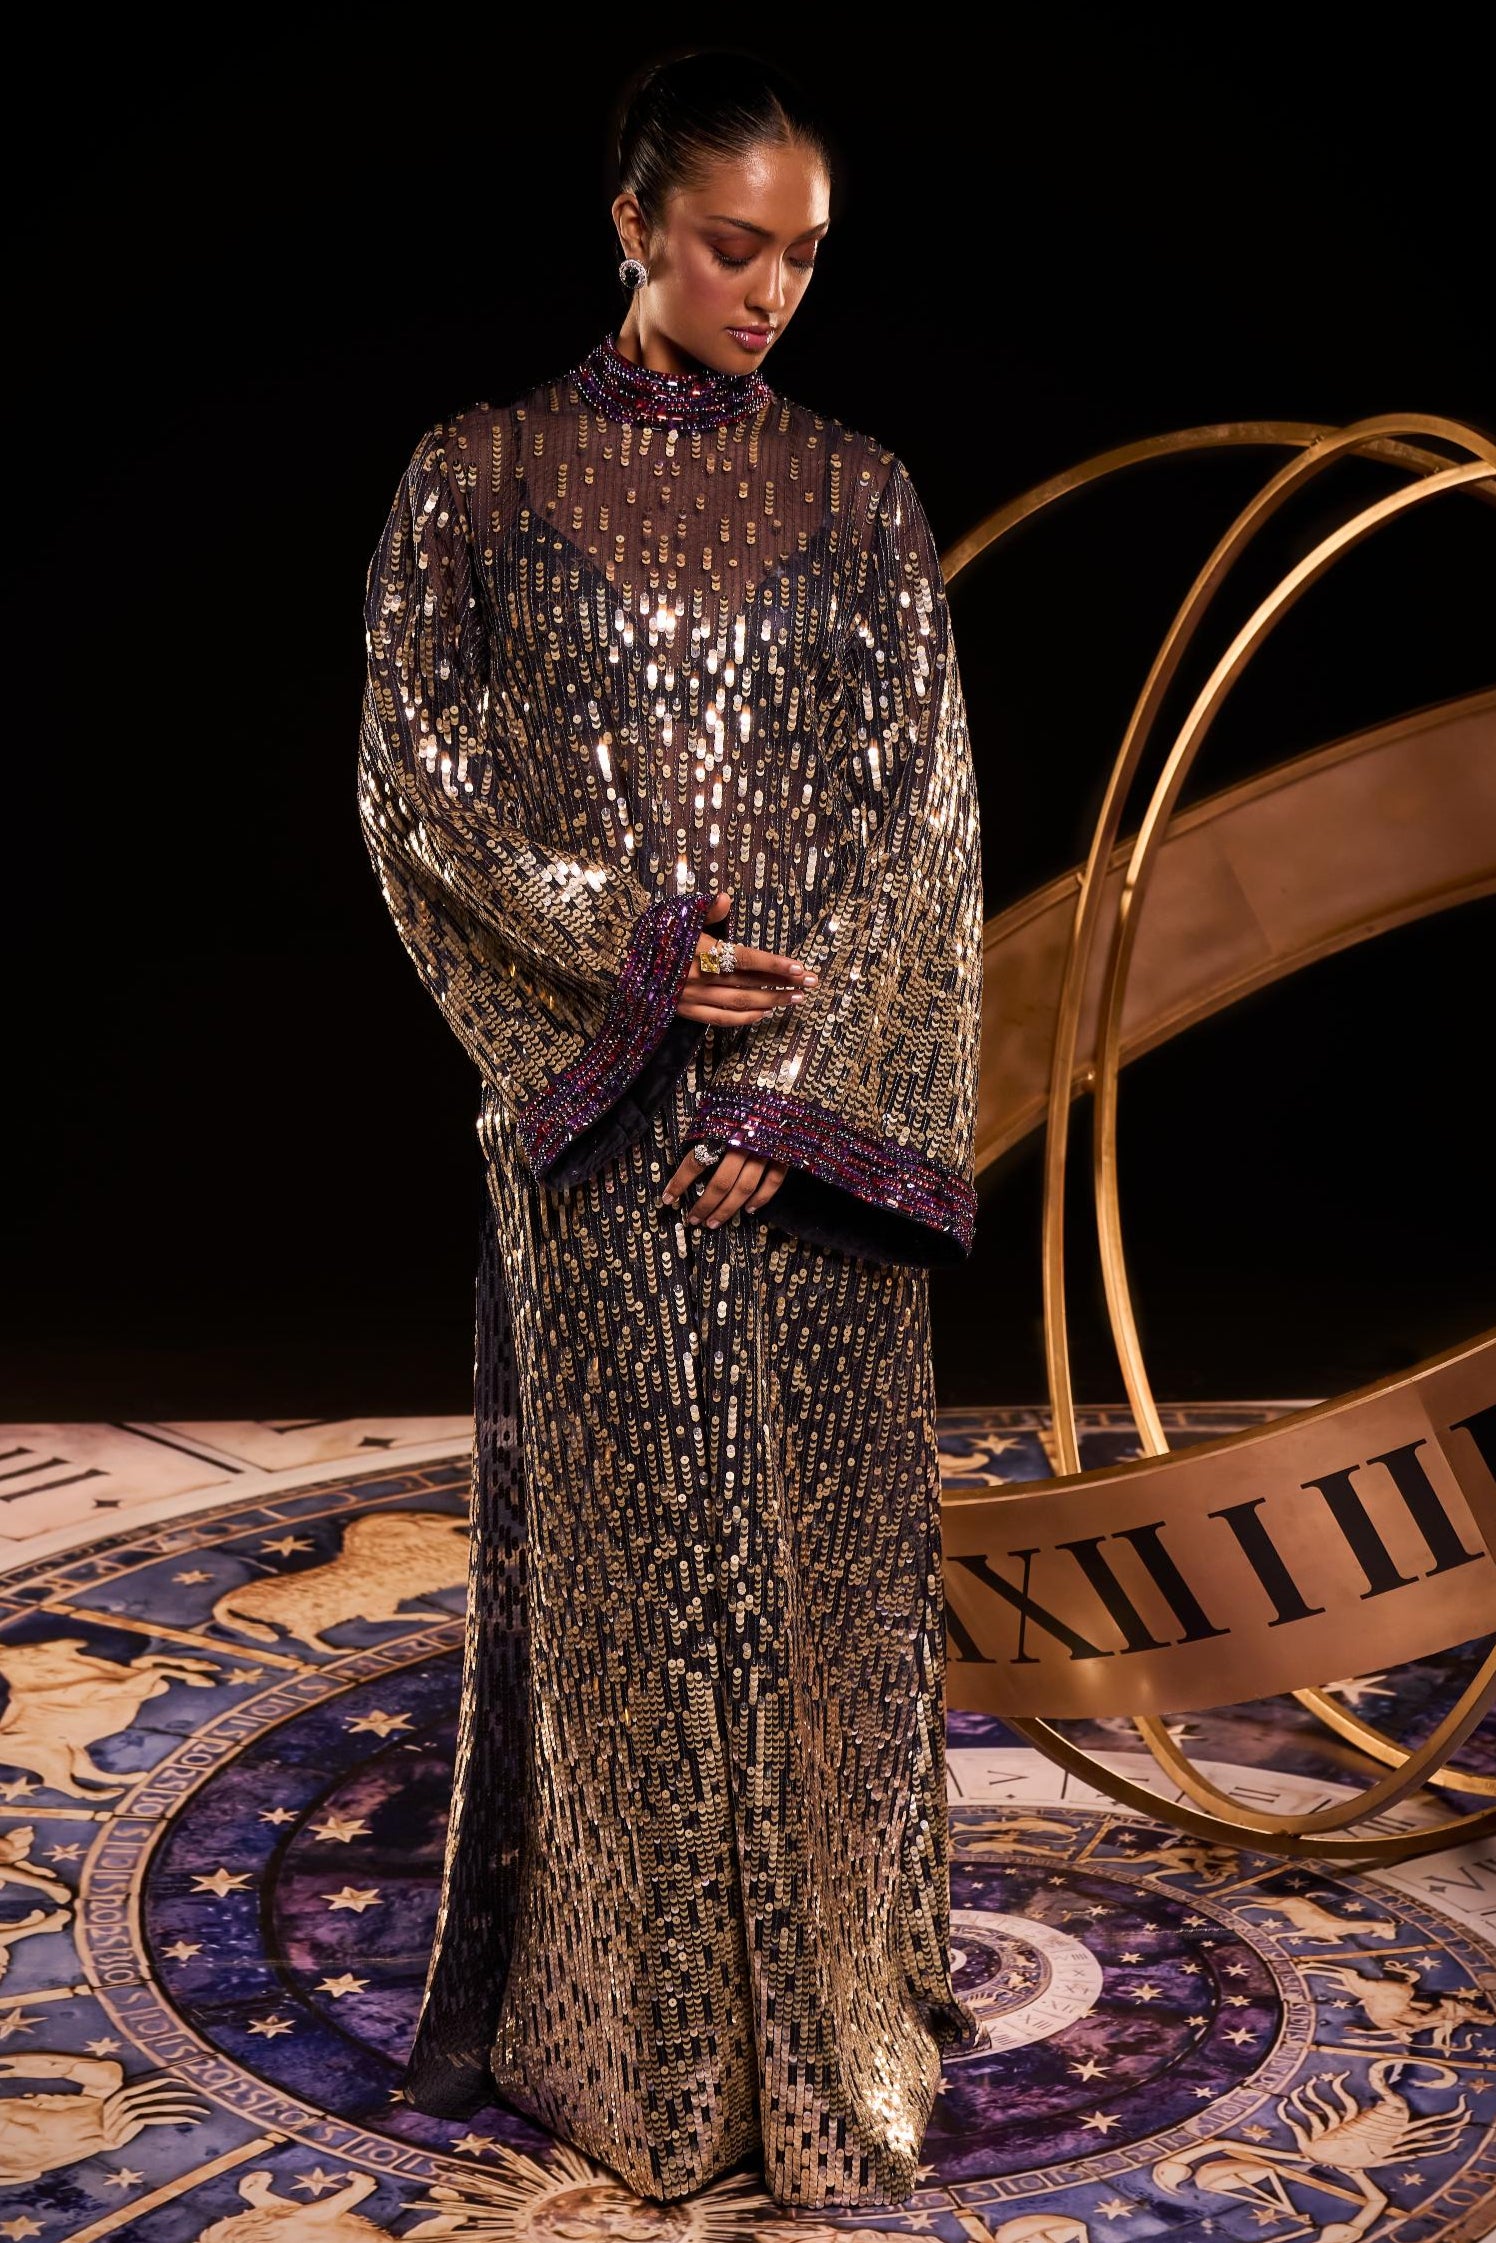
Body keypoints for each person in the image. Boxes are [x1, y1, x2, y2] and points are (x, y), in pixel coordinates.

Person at [357, 47, 984, 2212]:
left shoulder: (862, 495)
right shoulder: (478, 475)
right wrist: (623, 960)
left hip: (809, 1123)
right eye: (733, 247)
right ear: (632, 223)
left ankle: (836, 2013)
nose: (772, 290)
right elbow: (415, 789)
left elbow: (924, 826)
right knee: (643, 1599)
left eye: (804, 255)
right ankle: (640, 2041)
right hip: (604, 1131)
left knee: (817, 1582)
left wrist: (810, 1103)